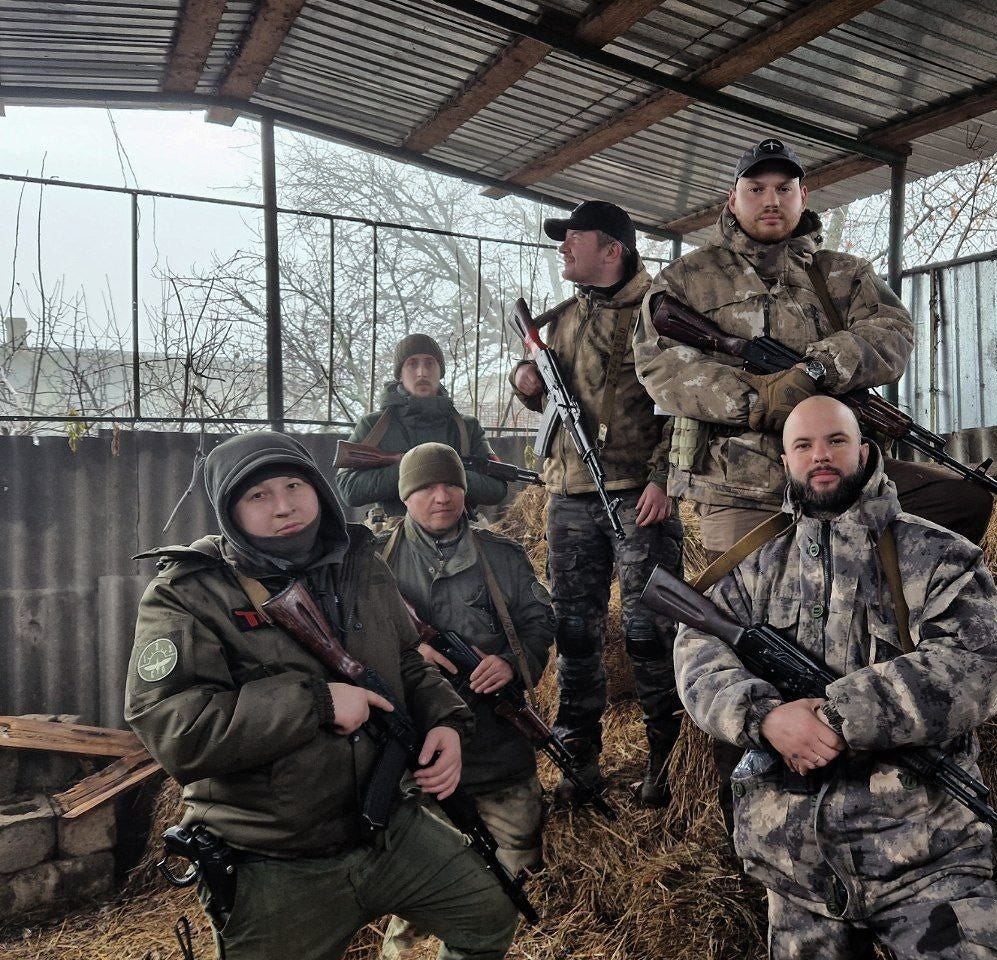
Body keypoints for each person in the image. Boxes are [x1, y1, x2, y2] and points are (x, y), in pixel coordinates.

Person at [125, 432, 516, 960]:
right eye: (258, 495)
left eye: (294, 485)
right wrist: (316, 704)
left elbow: (405, 660)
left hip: (389, 828)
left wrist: (445, 720)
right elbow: (177, 729)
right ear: (229, 511)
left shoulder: (361, 562)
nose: (283, 506)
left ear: (319, 489)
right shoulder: (188, 594)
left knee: (488, 917)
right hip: (275, 859)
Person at [674, 396, 997, 959]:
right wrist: (766, 718)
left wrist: (837, 717)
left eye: (836, 441)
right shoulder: (754, 563)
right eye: (803, 445)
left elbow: (975, 667)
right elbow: (697, 650)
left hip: (924, 857)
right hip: (795, 868)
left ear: (865, 450)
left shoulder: (938, 555)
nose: (820, 456)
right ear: (786, 461)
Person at [634, 137, 994, 553]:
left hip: (842, 477)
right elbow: (660, 366)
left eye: (784, 189)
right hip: (739, 483)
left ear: (802, 197)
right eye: (756, 189)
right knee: (745, 593)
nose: (772, 200)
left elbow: (892, 333)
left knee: (961, 500)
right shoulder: (686, 278)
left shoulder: (844, 273)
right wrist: (760, 399)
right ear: (732, 199)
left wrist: (817, 370)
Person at [509, 200, 684, 808]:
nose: (563, 248)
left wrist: (663, 478)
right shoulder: (561, 319)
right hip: (569, 497)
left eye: (574, 238)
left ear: (613, 249)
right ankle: (577, 761)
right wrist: (525, 382)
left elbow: (685, 405)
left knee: (648, 631)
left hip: (638, 496)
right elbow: (547, 393)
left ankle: (668, 762)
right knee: (575, 633)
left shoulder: (659, 314)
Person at [380, 442, 555, 958]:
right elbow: (349, 641)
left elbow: (539, 621)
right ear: (405, 496)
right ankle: (402, 949)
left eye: (452, 485)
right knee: (418, 872)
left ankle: (480, 941)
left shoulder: (502, 556)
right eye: (426, 487)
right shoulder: (375, 563)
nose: (442, 497)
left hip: (499, 739)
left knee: (519, 853)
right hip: (417, 747)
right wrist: (409, 652)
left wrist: (512, 662)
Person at [337, 333, 507, 518]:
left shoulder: (467, 427)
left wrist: (449, 471)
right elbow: (348, 488)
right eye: (412, 364)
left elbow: (497, 488)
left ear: (440, 372)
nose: (422, 372)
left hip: (459, 530)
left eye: (430, 363)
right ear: (400, 374)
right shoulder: (373, 426)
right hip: (393, 530)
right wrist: (410, 469)